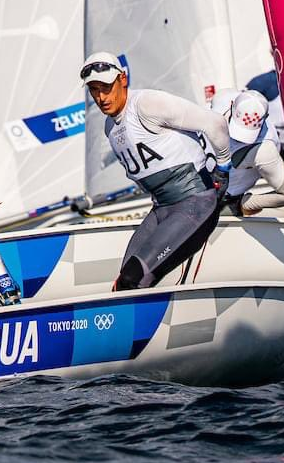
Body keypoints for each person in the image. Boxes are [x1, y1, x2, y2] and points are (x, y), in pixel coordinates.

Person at [82, 52, 232, 290]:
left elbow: (215, 123)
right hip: (162, 209)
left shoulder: (147, 104)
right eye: (94, 90)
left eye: (106, 87)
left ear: (122, 80)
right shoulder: (110, 126)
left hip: (195, 205)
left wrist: (223, 169)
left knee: (132, 279)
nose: (101, 97)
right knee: (123, 280)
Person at [211, 89, 284, 216]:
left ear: (266, 117)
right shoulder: (221, 99)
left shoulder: (265, 147)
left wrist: (248, 203)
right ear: (231, 105)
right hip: (194, 182)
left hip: (224, 199)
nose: (240, 139)